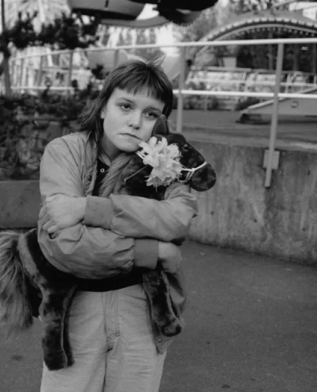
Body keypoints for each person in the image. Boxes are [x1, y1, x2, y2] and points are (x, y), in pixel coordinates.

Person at [36, 60, 198, 392]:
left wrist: (86, 208)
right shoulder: (65, 151)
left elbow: (177, 219)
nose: (136, 121)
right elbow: (66, 245)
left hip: (142, 306)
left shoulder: (167, 159)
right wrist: (153, 250)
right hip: (77, 307)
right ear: (103, 107)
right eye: (125, 106)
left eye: (151, 114)